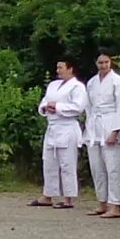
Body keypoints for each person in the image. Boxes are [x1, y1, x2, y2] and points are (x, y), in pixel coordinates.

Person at [33, 61, 88, 207]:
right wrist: (45, 108)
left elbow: (78, 107)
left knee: (67, 163)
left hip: (67, 127)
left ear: (71, 69)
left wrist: (57, 106)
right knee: (49, 162)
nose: (58, 70)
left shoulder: (78, 87)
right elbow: (44, 102)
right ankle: (48, 195)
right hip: (52, 127)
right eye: (57, 67)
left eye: (61, 68)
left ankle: (68, 198)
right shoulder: (53, 85)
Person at [83, 51, 120, 217]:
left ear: (111, 63)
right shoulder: (92, 82)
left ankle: (115, 205)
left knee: (113, 167)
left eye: (106, 62)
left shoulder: (118, 81)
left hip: (111, 123)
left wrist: (116, 130)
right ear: (96, 63)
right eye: (100, 62)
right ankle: (101, 202)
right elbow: (88, 106)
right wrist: (88, 128)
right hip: (94, 126)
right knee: (97, 167)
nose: (103, 65)